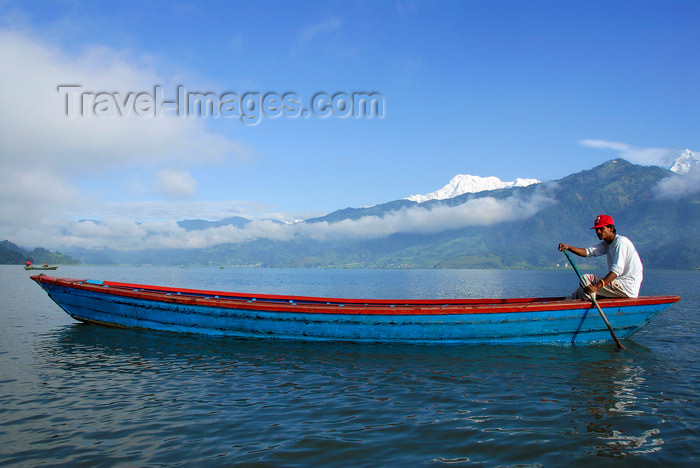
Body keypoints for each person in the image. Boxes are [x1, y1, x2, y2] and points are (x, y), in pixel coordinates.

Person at [558, 214, 643, 299]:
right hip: (619, 285)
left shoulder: (620, 243)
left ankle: (589, 309)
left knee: (586, 279)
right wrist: (568, 247)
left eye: (601, 229)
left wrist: (596, 287)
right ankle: (567, 306)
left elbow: (616, 271)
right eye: (596, 229)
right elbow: (588, 252)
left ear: (611, 228)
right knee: (581, 290)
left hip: (626, 287)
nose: (598, 232)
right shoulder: (608, 243)